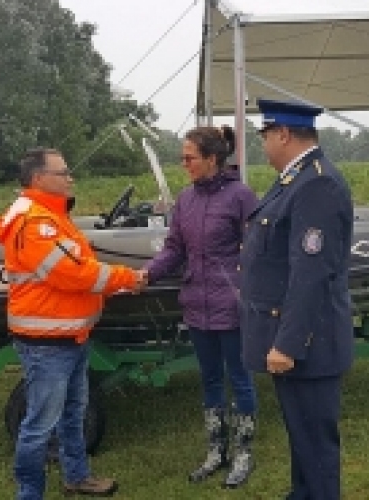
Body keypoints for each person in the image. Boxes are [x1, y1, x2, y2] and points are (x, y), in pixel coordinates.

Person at [0, 148, 144, 500]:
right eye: (63, 172)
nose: (70, 177)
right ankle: (29, 493)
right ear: (39, 178)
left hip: (70, 335)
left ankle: (77, 476)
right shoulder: (35, 223)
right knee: (39, 425)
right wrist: (126, 278)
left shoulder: (49, 216)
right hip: (47, 342)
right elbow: (72, 273)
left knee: (73, 414)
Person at [238, 99, 355, 500]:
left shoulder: (316, 184)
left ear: (283, 134)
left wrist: (287, 344)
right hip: (296, 341)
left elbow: (311, 273)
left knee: (317, 449)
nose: (264, 144)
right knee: (302, 439)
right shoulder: (295, 179)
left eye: (266, 135)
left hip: (308, 345)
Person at [142, 125, 259, 488]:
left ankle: (243, 452)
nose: (185, 165)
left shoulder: (241, 197)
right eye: (183, 159)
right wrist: (147, 275)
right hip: (197, 306)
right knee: (209, 379)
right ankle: (216, 449)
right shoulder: (185, 200)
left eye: (189, 158)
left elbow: (257, 252)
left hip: (232, 306)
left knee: (239, 378)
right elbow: (174, 249)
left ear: (212, 158)